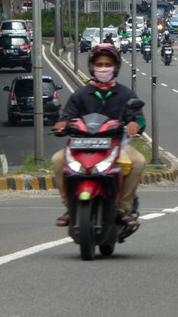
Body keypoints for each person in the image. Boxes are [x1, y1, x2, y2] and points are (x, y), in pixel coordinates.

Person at [52, 44, 146, 229]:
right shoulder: (81, 94)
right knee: (57, 160)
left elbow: (139, 119)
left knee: (139, 162)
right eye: (100, 64)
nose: (103, 68)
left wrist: (135, 124)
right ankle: (69, 207)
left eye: (107, 64)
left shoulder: (126, 94)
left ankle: (122, 209)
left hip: (116, 145)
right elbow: (66, 116)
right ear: (92, 67)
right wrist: (62, 124)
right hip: (81, 145)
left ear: (116, 67)